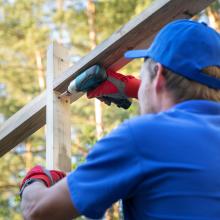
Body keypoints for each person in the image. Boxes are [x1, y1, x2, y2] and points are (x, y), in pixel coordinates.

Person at [20, 19, 220, 220]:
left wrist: (34, 179)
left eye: (143, 80)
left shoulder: (143, 138)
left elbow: (37, 211)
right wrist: (133, 88)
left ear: (159, 75)